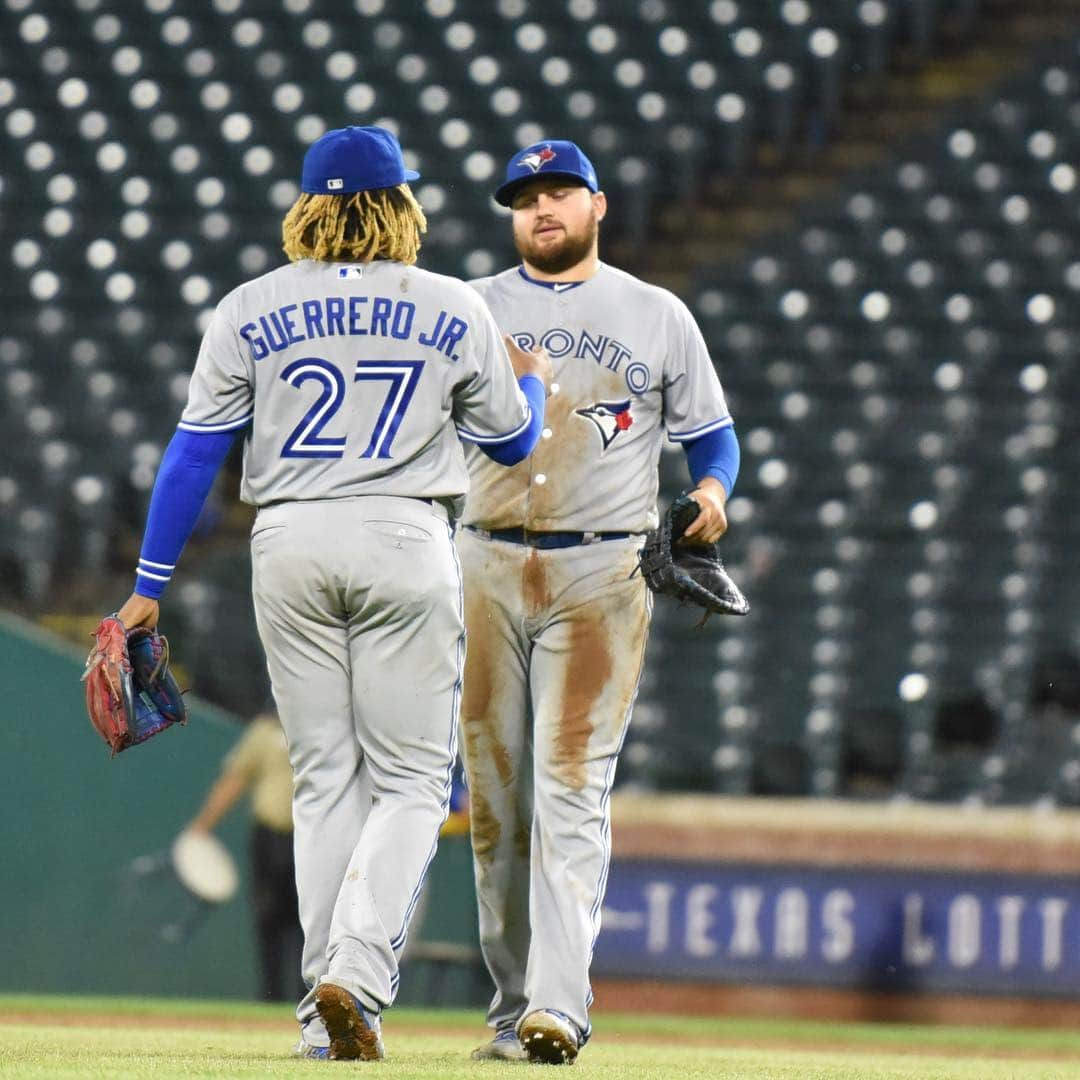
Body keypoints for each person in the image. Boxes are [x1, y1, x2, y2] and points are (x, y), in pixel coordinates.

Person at [110, 124, 552, 1061]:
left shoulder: (248, 306)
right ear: (400, 205)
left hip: (289, 538)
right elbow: (513, 447)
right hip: (402, 531)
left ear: (308, 205)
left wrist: (149, 584)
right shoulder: (452, 303)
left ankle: (322, 1015)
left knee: (321, 785)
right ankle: (354, 969)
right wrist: (537, 391)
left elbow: (196, 451)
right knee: (410, 782)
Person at [458, 140, 739, 1065]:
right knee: (498, 807)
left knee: (572, 788)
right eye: (526, 197)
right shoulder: (472, 308)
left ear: (598, 205)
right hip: (482, 564)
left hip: (603, 571)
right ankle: (510, 1010)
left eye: (559, 193)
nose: (542, 209)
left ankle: (558, 1009)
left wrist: (710, 496)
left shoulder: (656, 315)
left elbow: (713, 438)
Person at [186, 711, 304, 1002]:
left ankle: (313, 1000)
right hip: (270, 836)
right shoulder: (265, 731)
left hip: (310, 838)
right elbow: (235, 779)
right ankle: (271, 998)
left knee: (310, 923)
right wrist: (202, 826)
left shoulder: (327, 727)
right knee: (268, 918)